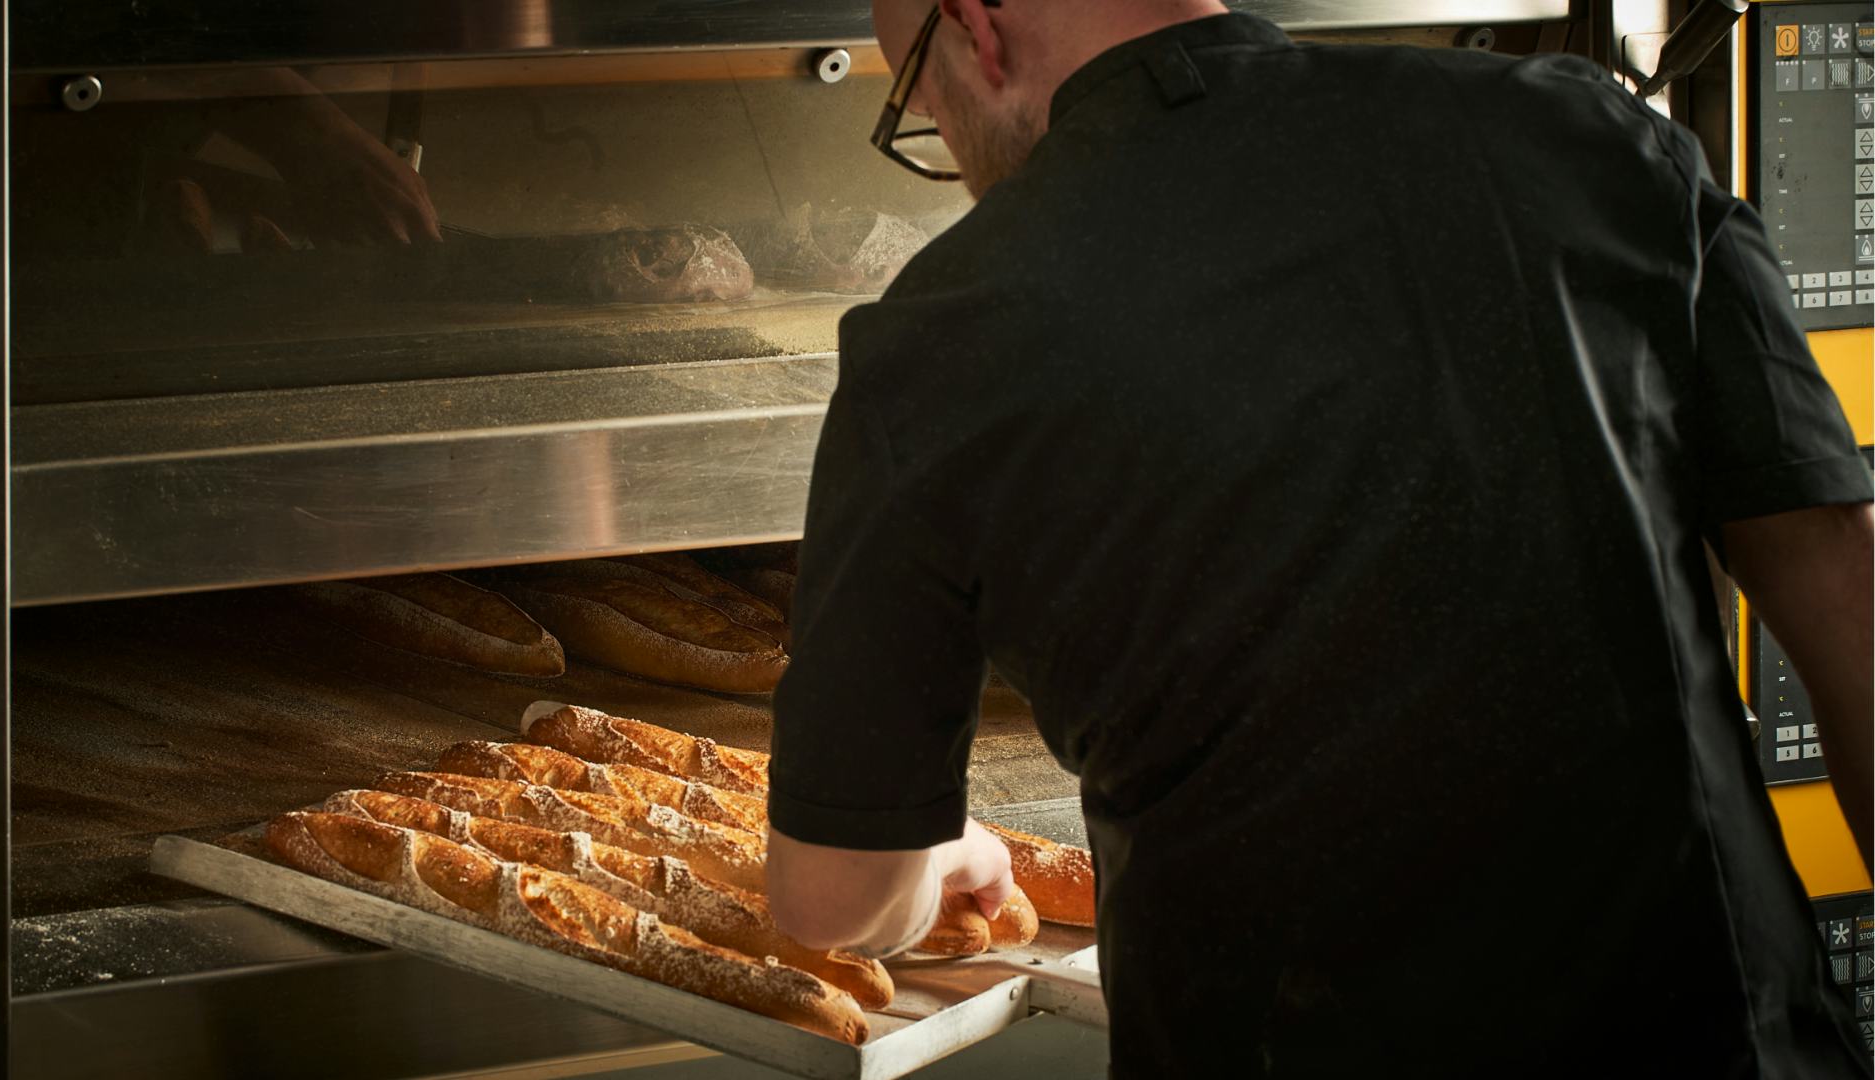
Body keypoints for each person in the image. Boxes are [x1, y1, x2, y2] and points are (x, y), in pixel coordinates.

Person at [761, 0, 1874, 1075]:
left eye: (918, 96)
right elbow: (1845, 581)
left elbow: (832, 898)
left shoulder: (935, 338)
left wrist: (945, 855)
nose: (948, 146)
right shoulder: (1587, 130)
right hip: (1725, 1047)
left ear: (975, 22)